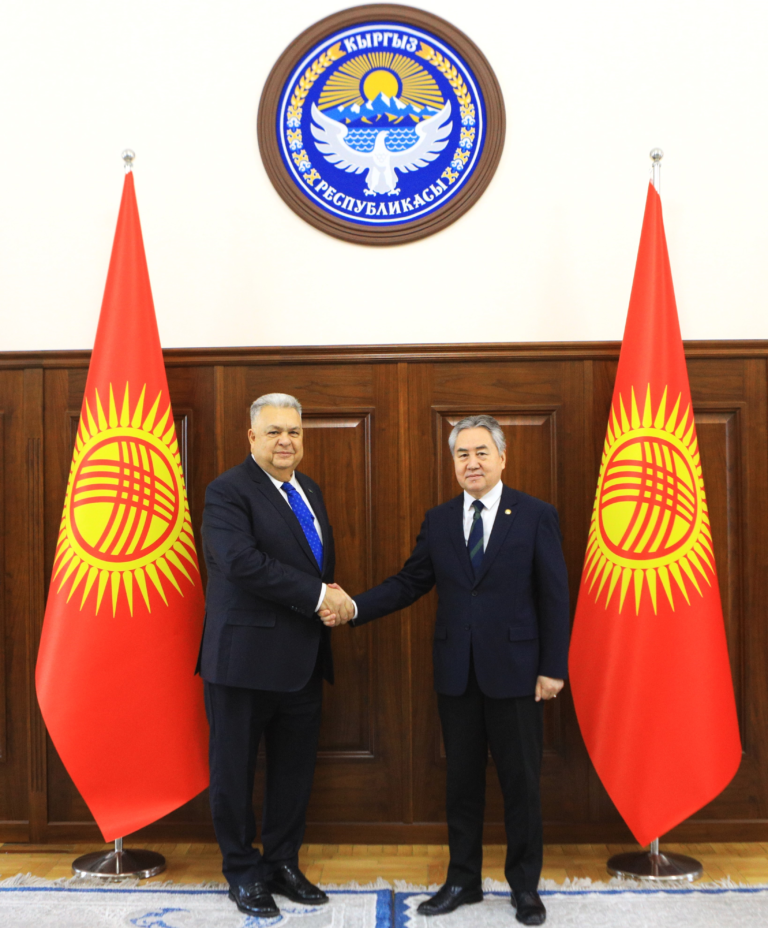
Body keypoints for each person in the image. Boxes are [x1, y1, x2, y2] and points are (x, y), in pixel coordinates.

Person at [322, 414, 569, 925]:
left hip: (518, 673)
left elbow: (554, 595)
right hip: (458, 675)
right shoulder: (439, 520)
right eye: (462, 454)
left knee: (522, 784)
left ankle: (524, 887)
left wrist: (553, 668)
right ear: (453, 462)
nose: (471, 462)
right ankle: (462, 880)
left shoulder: (534, 515)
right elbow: (409, 582)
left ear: (502, 458)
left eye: (481, 452)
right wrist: (354, 607)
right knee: (461, 783)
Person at [198, 392, 353, 919]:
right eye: (274, 432)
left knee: (293, 772)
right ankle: (243, 872)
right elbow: (241, 563)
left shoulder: (308, 489)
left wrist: (326, 598)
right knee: (234, 772)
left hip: (302, 659)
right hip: (242, 662)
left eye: (294, 432)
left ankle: (283, 862)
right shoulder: (227, 491)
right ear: (252, 437)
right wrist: (318, 595)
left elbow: (310, 562)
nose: (285, 441)